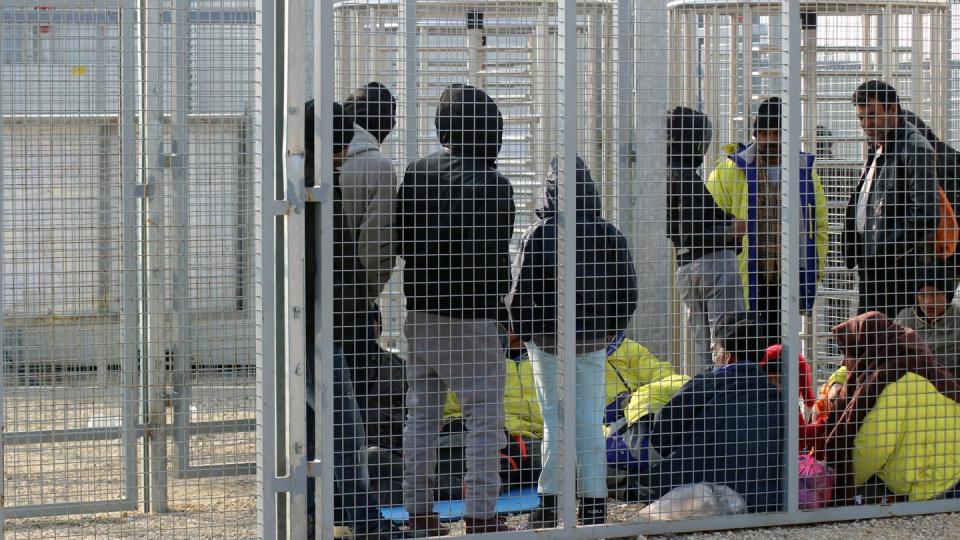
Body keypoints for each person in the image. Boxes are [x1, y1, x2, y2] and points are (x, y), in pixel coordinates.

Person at [394, 83, 516, 535]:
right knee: (484, 421)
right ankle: (481, 515)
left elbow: (403, 241)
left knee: (420, 416)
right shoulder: (493, 183)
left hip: (422, 314)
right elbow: (496, 257)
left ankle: (419, 514)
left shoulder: (417, 172)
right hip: (475, 318)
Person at [506, 156, 639, 528]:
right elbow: (627, 292)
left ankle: (549, 503)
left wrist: (528, 332)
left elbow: (519, 293)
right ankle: (595, 504)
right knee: (589, 420)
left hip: (548, 342)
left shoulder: (540, 233)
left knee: (555, 420)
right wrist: (608, 330)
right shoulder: (608, 232)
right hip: (593, 341)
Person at [304, 100, 401, 539]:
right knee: (344, 424)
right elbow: (371, 251)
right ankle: (363, 520)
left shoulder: (292, 186)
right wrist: (362, 305)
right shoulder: (322, 188)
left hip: (300, 325)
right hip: (333, 323)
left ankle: (309, 512)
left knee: (307, 424)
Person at [707, 97, 829, 328]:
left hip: (789, 280)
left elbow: (818, 225)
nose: (771, 139)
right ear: (755, 134)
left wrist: (815, 270)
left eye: (777, 132)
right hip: (745, 278)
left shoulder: (806, 173)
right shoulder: (729, 171)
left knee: (783, 353)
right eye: (764, 133)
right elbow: (712, 223)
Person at [644, 315, 784, 513]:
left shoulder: (705, 384)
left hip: (708, 494)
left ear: (728, 356)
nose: (713, 355)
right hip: (765, 498)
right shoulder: (775, 396)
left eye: (715, 350)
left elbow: (661, 433)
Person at [817, 311, 960, 504]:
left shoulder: (890, 381)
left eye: (846, 353)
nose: (842, 361)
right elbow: (848, 370)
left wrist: (836, 484)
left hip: (931, 483)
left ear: (866, 349)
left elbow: (872, 447)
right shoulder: (905, 355)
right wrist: (835, 384)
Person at [843, 80, 940, 318]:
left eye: (872, 116)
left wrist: (886, 249)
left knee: (887, 345)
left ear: (893, 110)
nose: (866, 124)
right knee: (870, 342)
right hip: (875, 265)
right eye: (861, 118)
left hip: (896, 272)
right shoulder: (880, 144)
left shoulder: (914, 149)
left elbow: (926, 215)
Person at [666, 106, 747, 372]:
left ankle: (706, 403)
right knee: (729, 339)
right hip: (713, 266)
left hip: (685, 267)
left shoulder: (660, 173)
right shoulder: (686, 175)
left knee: (702, 347)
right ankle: (726, 403)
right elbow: (696, 228)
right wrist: (731, 231)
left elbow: (676, 228)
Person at [337, 82, 399, 415]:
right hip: (349, 306)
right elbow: (378, 244)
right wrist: (366, 299)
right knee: (350, 407)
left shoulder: (304, 154)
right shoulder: (377, 166)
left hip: (298, 302)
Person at [894, 263, 960, 372]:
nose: (928, 302)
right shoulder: (904, 318)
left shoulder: (957, 318)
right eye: (922, 295)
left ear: (948, 296)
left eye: (935, 294)